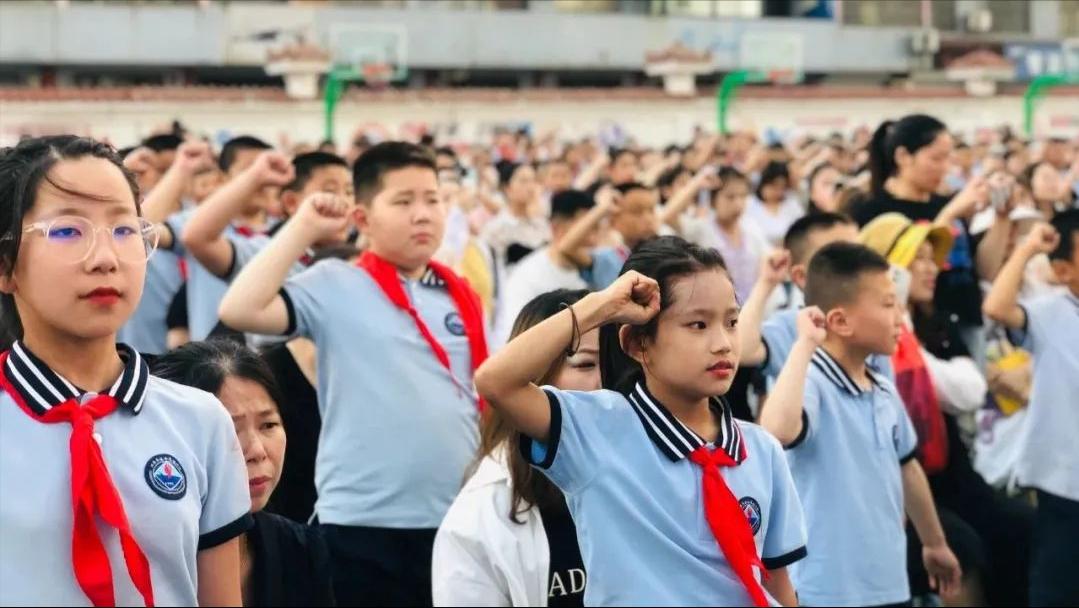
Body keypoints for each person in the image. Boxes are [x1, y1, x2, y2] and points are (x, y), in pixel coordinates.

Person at [218, 141, 487, 606]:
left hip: (454, 517)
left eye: (433, 199)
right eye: (403, 202)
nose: (422, 214)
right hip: (362, 525)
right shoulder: (337, 283)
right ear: (362, 219)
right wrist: (303, 227)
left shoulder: (457, 293)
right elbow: (240, 308)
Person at [475, 237, 808, 606]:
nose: (723, 343)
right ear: (637, 344)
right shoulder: (596, 429)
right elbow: (496, 382)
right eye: (697, 324)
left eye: (731, 322)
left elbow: (776, 579)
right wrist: (599, 306)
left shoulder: (761, 449)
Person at [0, 135, 250, 606]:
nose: (105, 259)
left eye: (124, 230)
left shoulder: (201, 419)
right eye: (67, 231)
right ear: (6, 263)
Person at [759, 242, 962, 607]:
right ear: (839, 321)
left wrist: (934, 542)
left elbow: (907, 465)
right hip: (828, 589)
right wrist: (805, 343)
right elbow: (776, 429)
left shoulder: (881, 387)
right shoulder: (812, 382)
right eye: (887, 304)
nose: (900, 314)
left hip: (887, 582)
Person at [861, 213, 1034, 606]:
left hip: (951, 473)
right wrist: (896, 325)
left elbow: (970, 389)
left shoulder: (935, 322)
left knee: (1022, 529)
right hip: (900, 486)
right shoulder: (869, 337)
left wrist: (910, 338)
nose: (930, 268)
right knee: (963, 550)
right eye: (916, 258)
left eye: (931, 258)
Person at [433, 289, 598, 607]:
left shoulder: (653, 472)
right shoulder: (481, 514)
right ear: (529, 378)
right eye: (586, 364)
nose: (605, 383)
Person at [152, 339, 335, 607]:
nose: (257, 451)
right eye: (229, 430)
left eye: (269, 424)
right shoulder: (140, 557)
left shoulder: (301, 550)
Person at [983, 210, 1079, 606]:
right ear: (1063, 269)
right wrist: (1028, 248)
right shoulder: (1053, 311)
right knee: (1056, 590)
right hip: (1064, 485)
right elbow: (997, 307)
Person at [118, 140, 214, 354]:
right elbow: (137, 228)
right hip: (141, 351)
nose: (166, 178)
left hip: (194, 358)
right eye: (162, 170)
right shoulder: (121, 230)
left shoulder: (199, 222)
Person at [493, 190, 602, 347]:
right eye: (585, 229)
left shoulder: (591, 271)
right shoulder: (529, 275)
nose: (593, 239)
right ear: (557, 228)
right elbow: (515, 340)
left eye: (596, 229)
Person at [673, 167, 770, 303]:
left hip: (752, 309)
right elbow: (668, 217)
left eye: (743, 196)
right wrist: (697, 183)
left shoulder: (752, 228)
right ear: (713, 200)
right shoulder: (702, 228)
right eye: (730, 197)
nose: (738, 203)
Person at [481, 160, 549, 272]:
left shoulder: (542, 223)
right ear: (507, 188)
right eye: (523, 181)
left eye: (534, 181)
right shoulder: (495, 228)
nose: (531, 187)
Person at [745, 161, 804, 247]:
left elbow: (800, 229)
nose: (778, 192)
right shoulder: (749, 204)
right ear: (764, 182)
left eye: (782, 187)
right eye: (774, 186)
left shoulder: (791, 204)